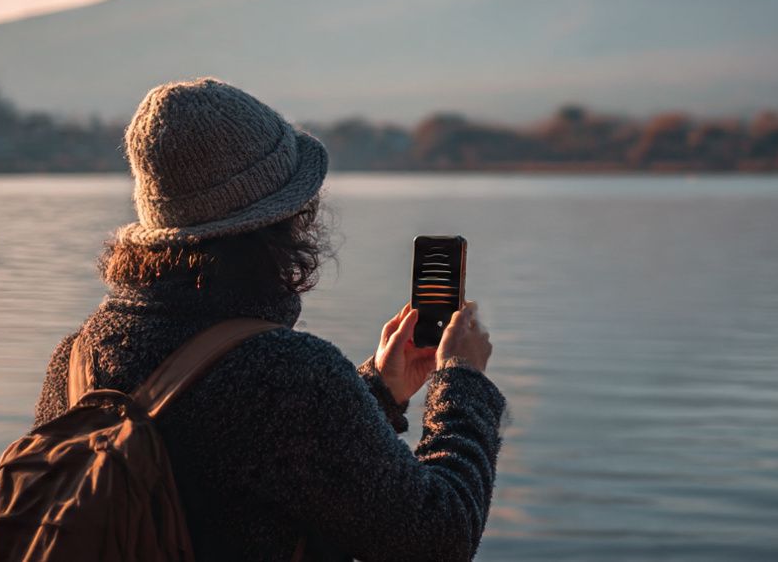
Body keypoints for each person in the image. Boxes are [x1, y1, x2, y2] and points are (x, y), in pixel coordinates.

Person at [31, 77, 505, 561]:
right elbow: (439, 537)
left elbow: (248, 461)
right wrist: (461, 384)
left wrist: (378, 391)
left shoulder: (75, 359)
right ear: (281, 220)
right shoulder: (289, 377)